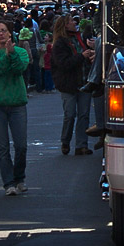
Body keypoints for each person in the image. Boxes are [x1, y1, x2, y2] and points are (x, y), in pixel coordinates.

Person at [0, 19, 29, 195]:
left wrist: (13, 54)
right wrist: (5, 55)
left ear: (10, 33)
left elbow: (20, 69)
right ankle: (8, 183)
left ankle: (20, 177)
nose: (1, 34)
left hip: (17, 104)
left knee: (21, 145)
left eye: (3, 30)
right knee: (3, 147)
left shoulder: (20, 51)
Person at [51, 15, 94, 156]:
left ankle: (81, 145)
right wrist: (82, 56)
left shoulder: (79, 38)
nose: (74, 23)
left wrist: (90, 55)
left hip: (84, 81)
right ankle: (65, 140)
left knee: (84, 115)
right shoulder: (59, 44)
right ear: (65, 25)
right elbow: (63, 63)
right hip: (68, 84)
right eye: (70, 21)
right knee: (70, 114)